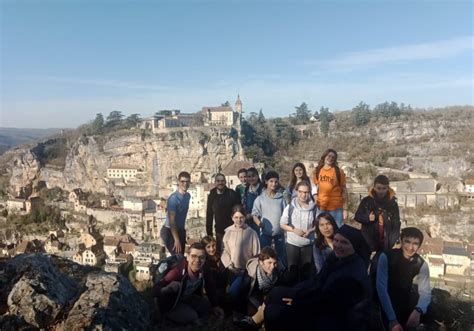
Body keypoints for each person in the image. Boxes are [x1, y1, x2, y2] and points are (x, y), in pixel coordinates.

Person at [264, 225, 371, 331]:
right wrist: (297, 291)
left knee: (273, 312)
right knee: (275, 293)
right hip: (319, 298)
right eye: (336, 240)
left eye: (344, 242)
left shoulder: (352, 274)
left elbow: (327, 303)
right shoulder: (336, 257)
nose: (338, 245)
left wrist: (297, 301)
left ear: (355, 246)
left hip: (334, 318)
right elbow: (318, 280)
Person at [153, 242, 224, 326]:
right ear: (187, 257)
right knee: (192, 316)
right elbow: (155, 290)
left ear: (205, 259)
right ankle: (167, 316)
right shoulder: (177, 272)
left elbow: (209, 286)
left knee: (206, 306)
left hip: (185, 296)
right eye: (193, 256)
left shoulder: (204, 267)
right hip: (171, 302)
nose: (197, 260)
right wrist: (166, 289)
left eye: (201, 257)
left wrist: (215, 305)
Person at [375, 227, 431, 331]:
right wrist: (392, 320)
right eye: (407, 242)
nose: (410, 247)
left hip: (405, 304)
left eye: (415, 243)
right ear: (401, 241)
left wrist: (418, 310)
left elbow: (426, 292)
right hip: (382, 303)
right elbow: (381, 289)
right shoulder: (387, 257)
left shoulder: (421, 264)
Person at [233, 247, 285, 329]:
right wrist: (259, 306)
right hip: (254, 297)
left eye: (274, 263)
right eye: (269, 263)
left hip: (270, 296)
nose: (273, 266)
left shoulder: (279, 270)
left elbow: (280, 289)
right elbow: (247, 293)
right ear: (261, 262)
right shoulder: (252, 272)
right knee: (253, 313)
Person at [280, 181, 316, 283]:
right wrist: (294, 230)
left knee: (306, 272)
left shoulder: (314, 208)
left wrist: (310, 231)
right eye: (300, 192)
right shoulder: (290, 207)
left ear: (309, 193)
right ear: (296, 192)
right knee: (292, 271)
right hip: (292, 243)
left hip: (307, 243)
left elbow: (318, 224)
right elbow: (282, 224)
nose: (303, 195)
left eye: (306, 192)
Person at [355, 175, 401, 253]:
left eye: (384, 188)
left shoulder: (392, 204)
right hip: (368, 240)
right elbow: (357, 216)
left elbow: (396, 223)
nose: (381, 191)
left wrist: (391, 242)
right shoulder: (366, 201)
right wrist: (367, 218)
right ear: (374, 187)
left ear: (388, 188)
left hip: (386, 242)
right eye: (379, 188)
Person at [252, 171, 287, 264]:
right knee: (265, 255)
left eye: (276, 181)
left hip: (279, 233)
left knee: (280, 256)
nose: (274, 184)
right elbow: (254, 214)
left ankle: (280, 273)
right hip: (265, 233)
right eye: (271, 181)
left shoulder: (281, 199)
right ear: (266, 181)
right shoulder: (260, 199)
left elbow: (285, 214)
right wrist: (259, 223)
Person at [206, 173, 242, 253]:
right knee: (221, 253)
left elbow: (239, 211)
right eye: (218, 181)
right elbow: (209, 214)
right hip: (219, 231)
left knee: (233, 251)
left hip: (232, 230)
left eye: (222, 181)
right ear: (215, 182)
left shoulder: (232, 194)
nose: (220, 183)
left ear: (225, 182)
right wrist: (209, 233)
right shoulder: (212, 196)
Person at [312, 149, 348, 227]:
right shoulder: (317, 170)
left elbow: (344, 190)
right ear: (324, 156)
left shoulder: (338, 171)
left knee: (337, 231)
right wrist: (316, 200)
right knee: (323, 230)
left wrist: (345, 209)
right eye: (329, 156)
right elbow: (314, 187)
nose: (330, 158)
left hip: (336, 207)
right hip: (321, 206)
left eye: (333, 157)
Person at [221, 205, 261, 276]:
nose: (239, 220)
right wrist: (230, 266)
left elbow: (257, 254)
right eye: (236, 217)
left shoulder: (252, 233)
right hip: (232, 270)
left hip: (248, 272)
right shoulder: (228, 232)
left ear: (245, 217)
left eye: (241, 217)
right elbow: (225, 251)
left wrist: (251, 270)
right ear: (232, 218)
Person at [160, 171, 191, 255]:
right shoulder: (173, 199)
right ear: (178, 182)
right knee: (178, 257)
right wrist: (176, 240)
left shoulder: (188, 196)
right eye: (182, 181)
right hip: (169, 231)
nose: (185, 184)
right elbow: (171, 220)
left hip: (180, 230)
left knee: (181, 257)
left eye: (187, 181)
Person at [201, 235, 228, 304]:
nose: (212, 249)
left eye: (213, 245)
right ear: (204, 248)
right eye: (208, 247)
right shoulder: (204, 263)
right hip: (213, 292)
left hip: (223, 287)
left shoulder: (220, 257)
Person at [242, 167, 264, 233]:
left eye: (253, 176)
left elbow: (265, 207)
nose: (251, 178)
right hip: (248, 221)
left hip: (259, 220)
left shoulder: (263, 189)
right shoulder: (247, 189)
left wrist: (252, 215)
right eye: (249, 176)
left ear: (257, 176)